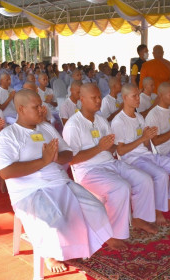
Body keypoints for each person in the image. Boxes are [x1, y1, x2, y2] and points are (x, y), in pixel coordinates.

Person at [0, 89, 113, 273]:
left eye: (41, 105)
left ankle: (79, 246)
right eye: (36, 107)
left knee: (95, 208)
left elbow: (68, 154)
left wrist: (56, 156)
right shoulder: (8, 135)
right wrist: (43, 160)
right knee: (56, 221)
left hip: (60, 182)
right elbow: (5, 172)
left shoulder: (46, 128)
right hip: (31, 191)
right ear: (21, 109)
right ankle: (50, 254)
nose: (42, 110)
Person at [63, 83, 158, 251]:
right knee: (121, 187)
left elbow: (112, 148)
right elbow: (71, 160)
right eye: (94, 98)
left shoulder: (101, 120)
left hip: (110, 162)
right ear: (82, 99)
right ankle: (111, 234)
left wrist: (113, 146)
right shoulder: (73, 125)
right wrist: (99, 147)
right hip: (88, 170)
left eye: (99, 96)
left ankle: (138, 218)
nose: (99, 100)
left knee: (144, 179)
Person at [111, 84, 170, 224]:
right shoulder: (119, 121)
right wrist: (143, 138)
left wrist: (148, 138)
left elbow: (146, 143)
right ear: (124, 98)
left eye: (138, 95)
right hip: (132, 159)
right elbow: (120, 151)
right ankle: (157, 211)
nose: (138, 99)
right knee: (161, 174)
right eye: (134, 96)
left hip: (147, 155)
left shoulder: (139, 117)